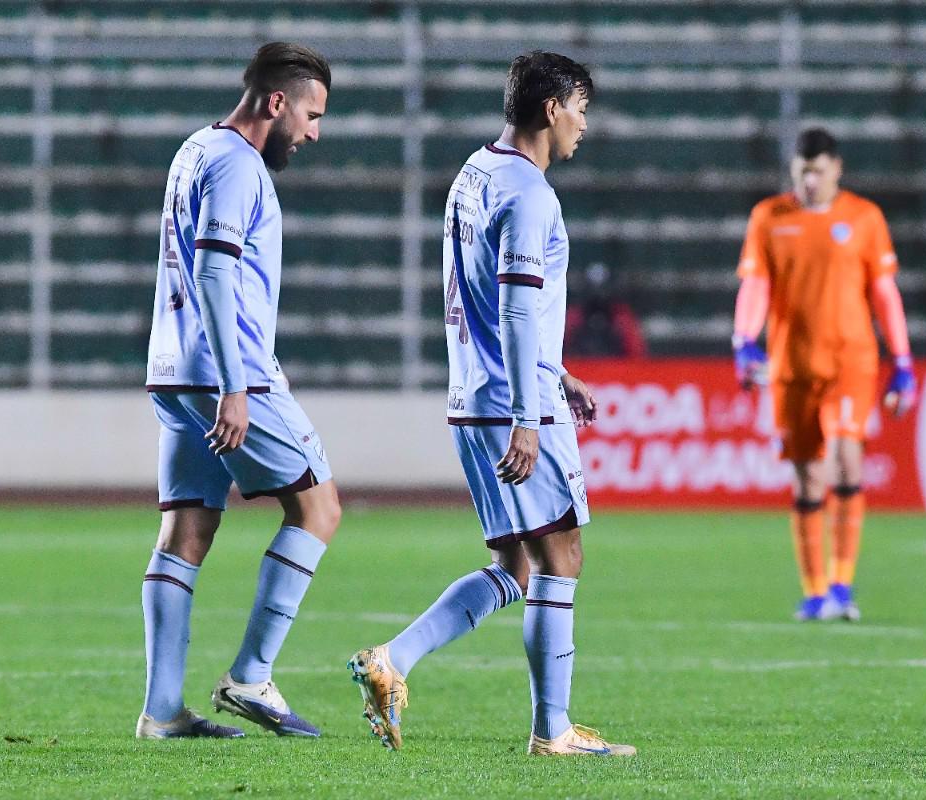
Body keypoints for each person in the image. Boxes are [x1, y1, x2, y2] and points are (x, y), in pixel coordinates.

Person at [348, 51, 635, 757]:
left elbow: (491, 299)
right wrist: (530, 413)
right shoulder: (532, 195)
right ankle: (553, 731)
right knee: (562, 556)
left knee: (518, 567)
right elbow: (511, 308)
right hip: (513, 406)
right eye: (581, 110)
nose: (583, 127)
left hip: (472, 397)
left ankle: (394, 660)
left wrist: (555, 370)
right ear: (551, 108)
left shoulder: (473, 174)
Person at [137, 42, 341, 739]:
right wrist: (234, 384)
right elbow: (216, 273)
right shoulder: (236, 164)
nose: (314, 132)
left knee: (186, 531)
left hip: (172, 368)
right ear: (275, 102)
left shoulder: (195, 148)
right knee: (318, 508)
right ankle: (251, 674)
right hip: (229, 371)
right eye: (311, 115)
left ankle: (162, 711)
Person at [731, 127, 917, 622]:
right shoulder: (770, 217)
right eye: (802, 171)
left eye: (818, 170)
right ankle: (815, 592)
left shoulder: (864, 217)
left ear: (837, 168)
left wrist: (901, 361)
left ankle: (842, 586)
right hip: (792, 367)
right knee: (809, 479)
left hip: (851, 364)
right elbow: (756, 287)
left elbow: (884, 293)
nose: (810, 180)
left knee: (847, 462)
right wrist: (744, 341)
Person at [563, 262, 648, 358]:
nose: (597, 294)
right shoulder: (575, 315)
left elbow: (636, 351)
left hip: (617, 367)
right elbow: (559, 348)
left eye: (602, 289)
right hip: (579, 366)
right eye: (593, 289)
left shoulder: (621, 315)